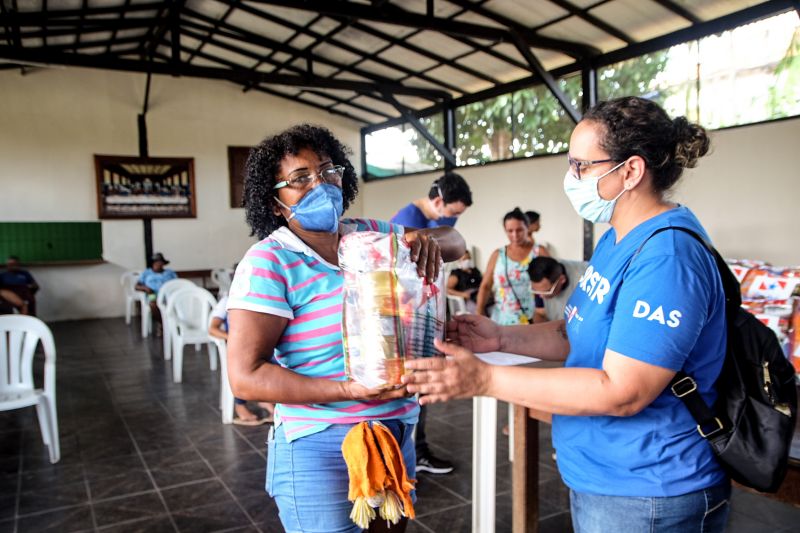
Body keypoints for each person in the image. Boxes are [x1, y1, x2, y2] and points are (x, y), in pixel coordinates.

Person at [403, 96, 730, 533]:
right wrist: (500, 338)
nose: (570, 178)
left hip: (648, 488)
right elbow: (576, 329)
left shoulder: (666, 256)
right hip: (602, 475)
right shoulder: (618, 239)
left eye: (581, 166)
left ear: (630, 171)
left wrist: (485, 379)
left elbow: (623, 392)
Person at [225, 124, 465, 532]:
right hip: (321, 444)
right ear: (276, 203)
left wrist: (426, 240)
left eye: (327, 170)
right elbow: (246, 378)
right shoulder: (270, 261)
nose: (320, 184)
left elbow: (455, 240)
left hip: (394, 430)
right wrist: (347, 390)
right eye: (300, 178)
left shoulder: (369, 235)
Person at [390, 172, 472, 476]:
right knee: (409, 388)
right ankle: (409, 455)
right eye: (453, 213)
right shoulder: (406, 219)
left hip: (426, 309)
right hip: (405, 314)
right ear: (439, 201)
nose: (454, 221)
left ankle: (415, 451)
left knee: (421, 387)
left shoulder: (442, 220)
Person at [209, 294, 275, 426]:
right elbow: (213, 329)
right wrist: (234, 339)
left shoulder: (259, 298)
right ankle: (240, 405)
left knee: (275, 359)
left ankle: (266, 399)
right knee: (245, 364)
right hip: (238, 347)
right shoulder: (227, 301)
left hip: (258, 344)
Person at [476, 207, 539, 325]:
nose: (515, 235)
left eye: (519, 230)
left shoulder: (539, 252)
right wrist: (479, 312)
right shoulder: (498, 255)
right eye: (510, 231)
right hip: (502, 320)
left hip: (532, 320)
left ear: (527, 228)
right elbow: (485, 286)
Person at [390, 172, 472, 229]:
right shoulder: (409, 222)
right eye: (454, 213)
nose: (455, 217)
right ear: (437, 202)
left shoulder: (433, 219)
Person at [529, 256, 587, 323]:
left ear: (562, 279)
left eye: (547, 291)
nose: (541, 296)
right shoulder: (542, 271)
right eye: (536, 290)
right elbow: (539, 312)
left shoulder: (583, 281)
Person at [135, 252, 177, 334]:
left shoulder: (170, 272)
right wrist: (146, 288)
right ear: (153, 264)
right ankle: (162, 323)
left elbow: (178, 283)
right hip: (153, 294)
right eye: (157, 262)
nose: (159, 264)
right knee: (153, 304)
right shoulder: (146, 273)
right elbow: (136, 286)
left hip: (168, 295)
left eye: (160, 262)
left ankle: (175, 325)